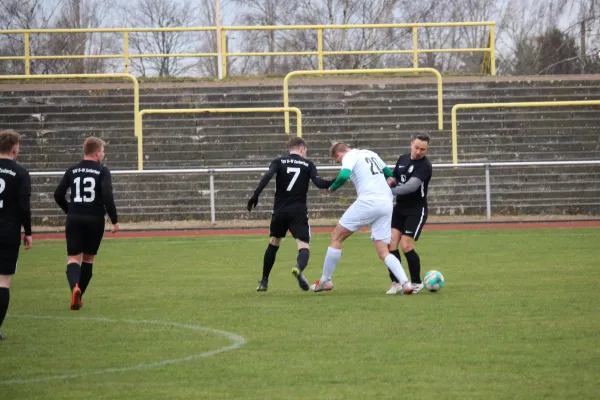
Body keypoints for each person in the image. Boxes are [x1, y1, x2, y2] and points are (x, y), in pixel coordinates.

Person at [310, 142, 413, 294]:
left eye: (337, 161)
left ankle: (325, 280)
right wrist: (389, 181)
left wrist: (332, 188)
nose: (339, 162)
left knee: (336, 237)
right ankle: (406, 283)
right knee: (384, 251)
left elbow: (344, 175)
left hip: (368, 201)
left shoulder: (350, 156)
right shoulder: (370, 153)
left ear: (338, 155)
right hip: (386, 202)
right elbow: (390, 175)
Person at [247, 137, 333, 292]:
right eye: (305, 150)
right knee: (303, 246)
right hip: (298, 211)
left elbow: (267, 177)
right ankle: (298, 268)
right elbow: (319, 183)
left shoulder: (279, 161)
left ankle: (264, 281)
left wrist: (255, 195)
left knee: (273, 243)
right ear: (301, 149)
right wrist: (337, 181)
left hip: (280, 210)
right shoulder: (308, 164)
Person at [54, 137, 119, 310]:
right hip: (95, 219)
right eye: (103, 151)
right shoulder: (102, 171)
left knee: (73, 258)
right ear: (97, 152)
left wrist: (69, 209)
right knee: (88, 260)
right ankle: (79, 294)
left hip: (75, 218)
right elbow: (107, 193)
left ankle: (74, 288)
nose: (104, 155)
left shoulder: (72, 170)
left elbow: (58, 194)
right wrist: (114, 219)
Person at [385, 133, 433, 295]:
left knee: (406, 245)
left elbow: (410, 187)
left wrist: (388, 190)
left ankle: (416, 282)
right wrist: (389, 181)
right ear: (411, 143)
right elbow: (394, 178)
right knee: (391, 243)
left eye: (423, 149)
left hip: (416, 210)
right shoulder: (402, 159)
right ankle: (396, 282)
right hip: (399, 208)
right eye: (417, 147)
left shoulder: (425, 166)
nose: (419, 151)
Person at [0, 129, 32, 340]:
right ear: (14, 148)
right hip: (7, 231)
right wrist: (27, 232)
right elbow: (23, 206)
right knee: (3, 281)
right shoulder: (20, 173)